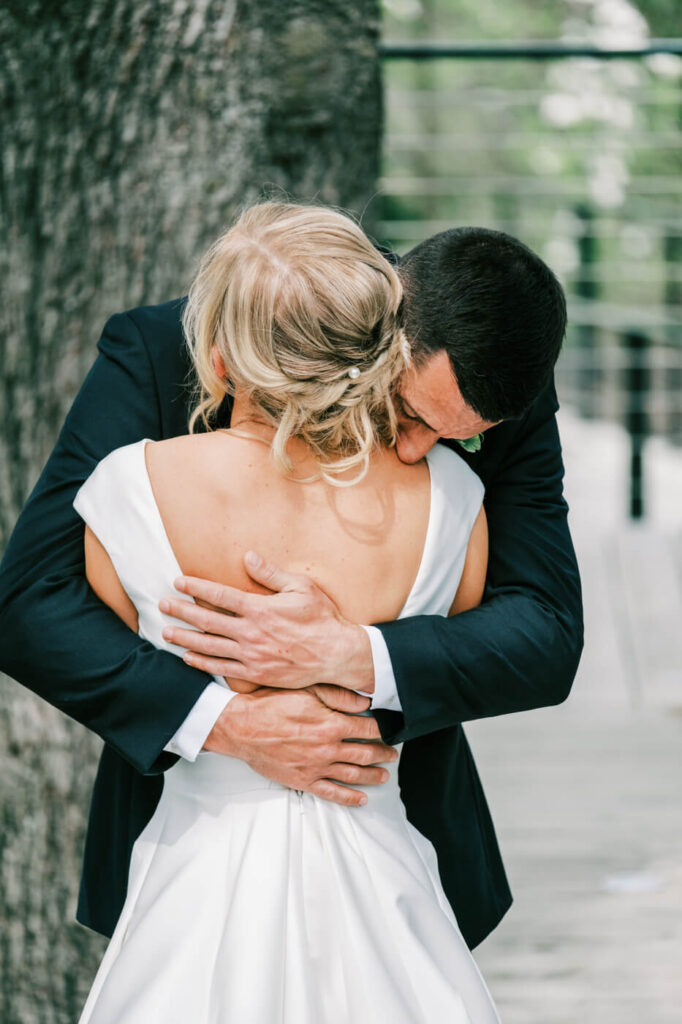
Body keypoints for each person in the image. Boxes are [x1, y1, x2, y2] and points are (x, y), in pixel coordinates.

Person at [0, 205, 582, 967]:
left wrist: (352, 653)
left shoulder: (505, 384)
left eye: (460, 438)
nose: (417, 451)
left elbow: (546, 633)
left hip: (400, 842)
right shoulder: (160, 346)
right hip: (183, 847)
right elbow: (28, 601)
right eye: (407, 412)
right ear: (388, 325)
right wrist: (220, 722)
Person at [69, 200, 498, 1020]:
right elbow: (464, 621)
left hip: (199, 874)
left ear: (221, 359)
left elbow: (117, 628)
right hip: (380, 869)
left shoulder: (133, 489)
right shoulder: (453, 500)